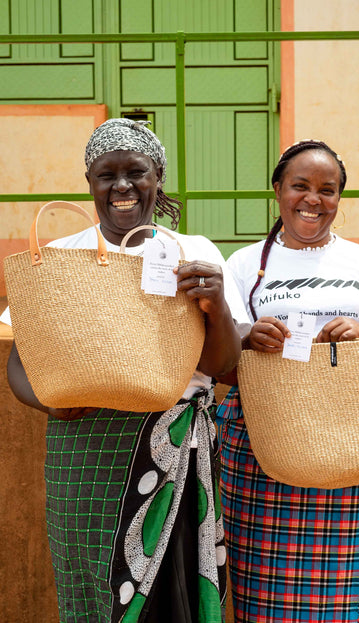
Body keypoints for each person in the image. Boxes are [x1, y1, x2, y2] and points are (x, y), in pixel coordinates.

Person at [1, 118, 250, 623]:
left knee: (168, 595)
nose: (121, 186)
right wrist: (51, 402)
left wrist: (217, 304)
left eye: (135, 172)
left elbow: (222, 367)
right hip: (86, 447)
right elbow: (20, 364)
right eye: (105, 174)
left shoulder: (192, 253)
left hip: (174, 446)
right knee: (94, 581)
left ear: (156, 177)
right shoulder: (58, 259)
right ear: (89, 183)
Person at [217, 139, 359, 623]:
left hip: (351, 444)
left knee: (340, 597)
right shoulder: (244, 265)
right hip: (261, 444)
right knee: (259, 589)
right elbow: (216, 362)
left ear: (339, 198)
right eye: (300, 186)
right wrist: (246, 340)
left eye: (327, 190)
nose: (313, 199)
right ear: (278, 190)